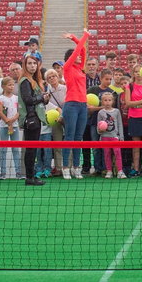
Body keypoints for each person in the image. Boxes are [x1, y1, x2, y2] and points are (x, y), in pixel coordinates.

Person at [60, 31, 90, 179]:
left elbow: (82, 50)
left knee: (78, 137)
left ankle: (76, 167)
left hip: (83, 105)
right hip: (71, 105)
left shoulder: (80, 69)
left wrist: (73, 38)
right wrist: (85, 36)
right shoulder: (67, 68)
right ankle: (65, 166)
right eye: (75, 55)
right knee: (69, 137)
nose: (79, 56)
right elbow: (79, 49)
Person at [17, 55, 47, 186]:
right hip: (31, 118)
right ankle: (29, 177)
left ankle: (31, 176)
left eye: (34, 63)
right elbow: (28, 100)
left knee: (32, 149)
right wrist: (42, 97)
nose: (32, 66)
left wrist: (44, 99)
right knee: (31, 149)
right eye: (29, 63)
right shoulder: (25, 81)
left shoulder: (34, 80)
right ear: (25, 65)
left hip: (35, 117)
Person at [124, 66, 142, 177]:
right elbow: (128, 103)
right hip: (133, 118)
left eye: (139, 72)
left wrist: (135, 104)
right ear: (133, 73)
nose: (137, 74)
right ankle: (136, 169)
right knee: (135, 146)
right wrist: (141, 102)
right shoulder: (129, 86)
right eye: (135, 72)